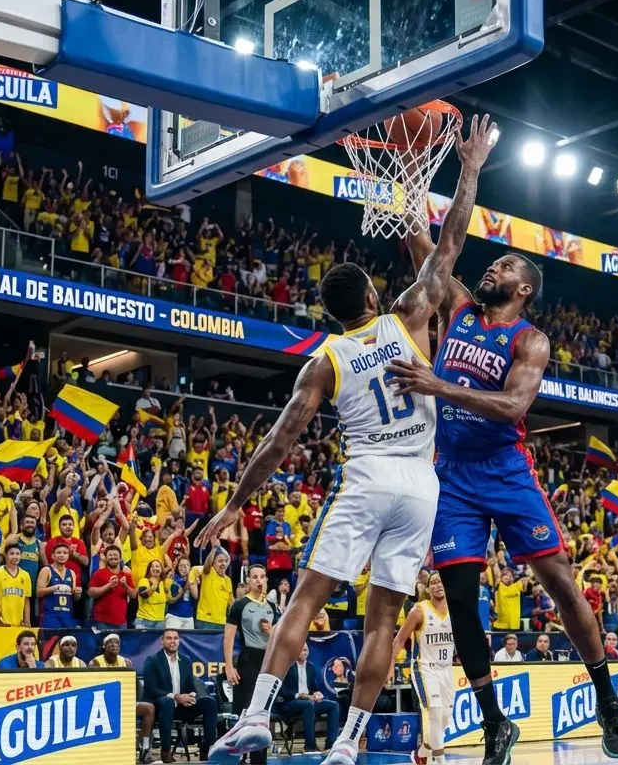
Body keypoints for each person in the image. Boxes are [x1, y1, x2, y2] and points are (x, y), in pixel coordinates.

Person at [198, 115, 498, 765]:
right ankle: (346, 745)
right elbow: (448, 244)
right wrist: (469, 168)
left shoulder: (326, 358)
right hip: (422, 486)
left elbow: (278, 444)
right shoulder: (411, 314)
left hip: (367, 479)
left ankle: (254, 717)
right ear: (370, 292)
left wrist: (233, 505)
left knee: (307, 597)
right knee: (383, 622)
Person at [390, 136, 618, 765]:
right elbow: (431, 244)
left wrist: (439, 384)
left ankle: (606, 693)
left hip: (504, 468)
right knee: (460, 599)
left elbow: (514, 408)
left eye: (509, 267)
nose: (496, 267)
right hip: (452, 477)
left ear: (526, 290)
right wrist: (416, 177)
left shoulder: (532, 340)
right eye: (495, 263)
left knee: (558, 580)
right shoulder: (461, 309)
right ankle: (494, 720)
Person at [392, 571, 453, 765]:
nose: (438, 585)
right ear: (427, 588)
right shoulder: (419, 610)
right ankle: (440, 760)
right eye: (433, 582)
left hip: (447, 669)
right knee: (435, 716)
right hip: (424, 668)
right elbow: (399, 640)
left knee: (445, 720)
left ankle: (423, 751)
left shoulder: (455, 610)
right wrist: (390, 666)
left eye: (441, 582)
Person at [222, 565, 279, 764]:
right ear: (249, 581)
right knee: (245, 711)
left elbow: (279, 638)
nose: (259, 581)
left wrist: (271, 631)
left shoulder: (272, 607)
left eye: (262, 577)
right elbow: (228, 637)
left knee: (263, 713)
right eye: (255, 577)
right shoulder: (240, 605)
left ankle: (259, 759)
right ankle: (236, 757)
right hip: (248, 660)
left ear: (266, 580)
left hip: (268, 662)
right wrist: (229, 666)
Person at [138, 629, 218, 764]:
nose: (172, 641)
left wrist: (190, 697)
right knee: (168, 702)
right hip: (159, 707)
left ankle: (207, 746)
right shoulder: (152, 660)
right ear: (162, 641)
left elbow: (190, 685)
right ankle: (165, 751)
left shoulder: (185, 660)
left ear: (179, 641)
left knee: (209, 702)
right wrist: (176, 697)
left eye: (175, 638)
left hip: (181, 707)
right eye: (169, 638)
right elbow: (151, 689)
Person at [280, 644, 342, 752]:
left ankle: (330, 744)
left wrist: (317, 694)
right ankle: (310, 746)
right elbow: (281, 691)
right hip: (291, 703)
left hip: (309, 702)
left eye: (306, 650)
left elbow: (313, 688)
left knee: (333, 705)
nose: (304, 653)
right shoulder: (287, 666)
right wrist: (298, 695)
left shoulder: (311, 667)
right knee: (308, 705)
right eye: (302, 650)